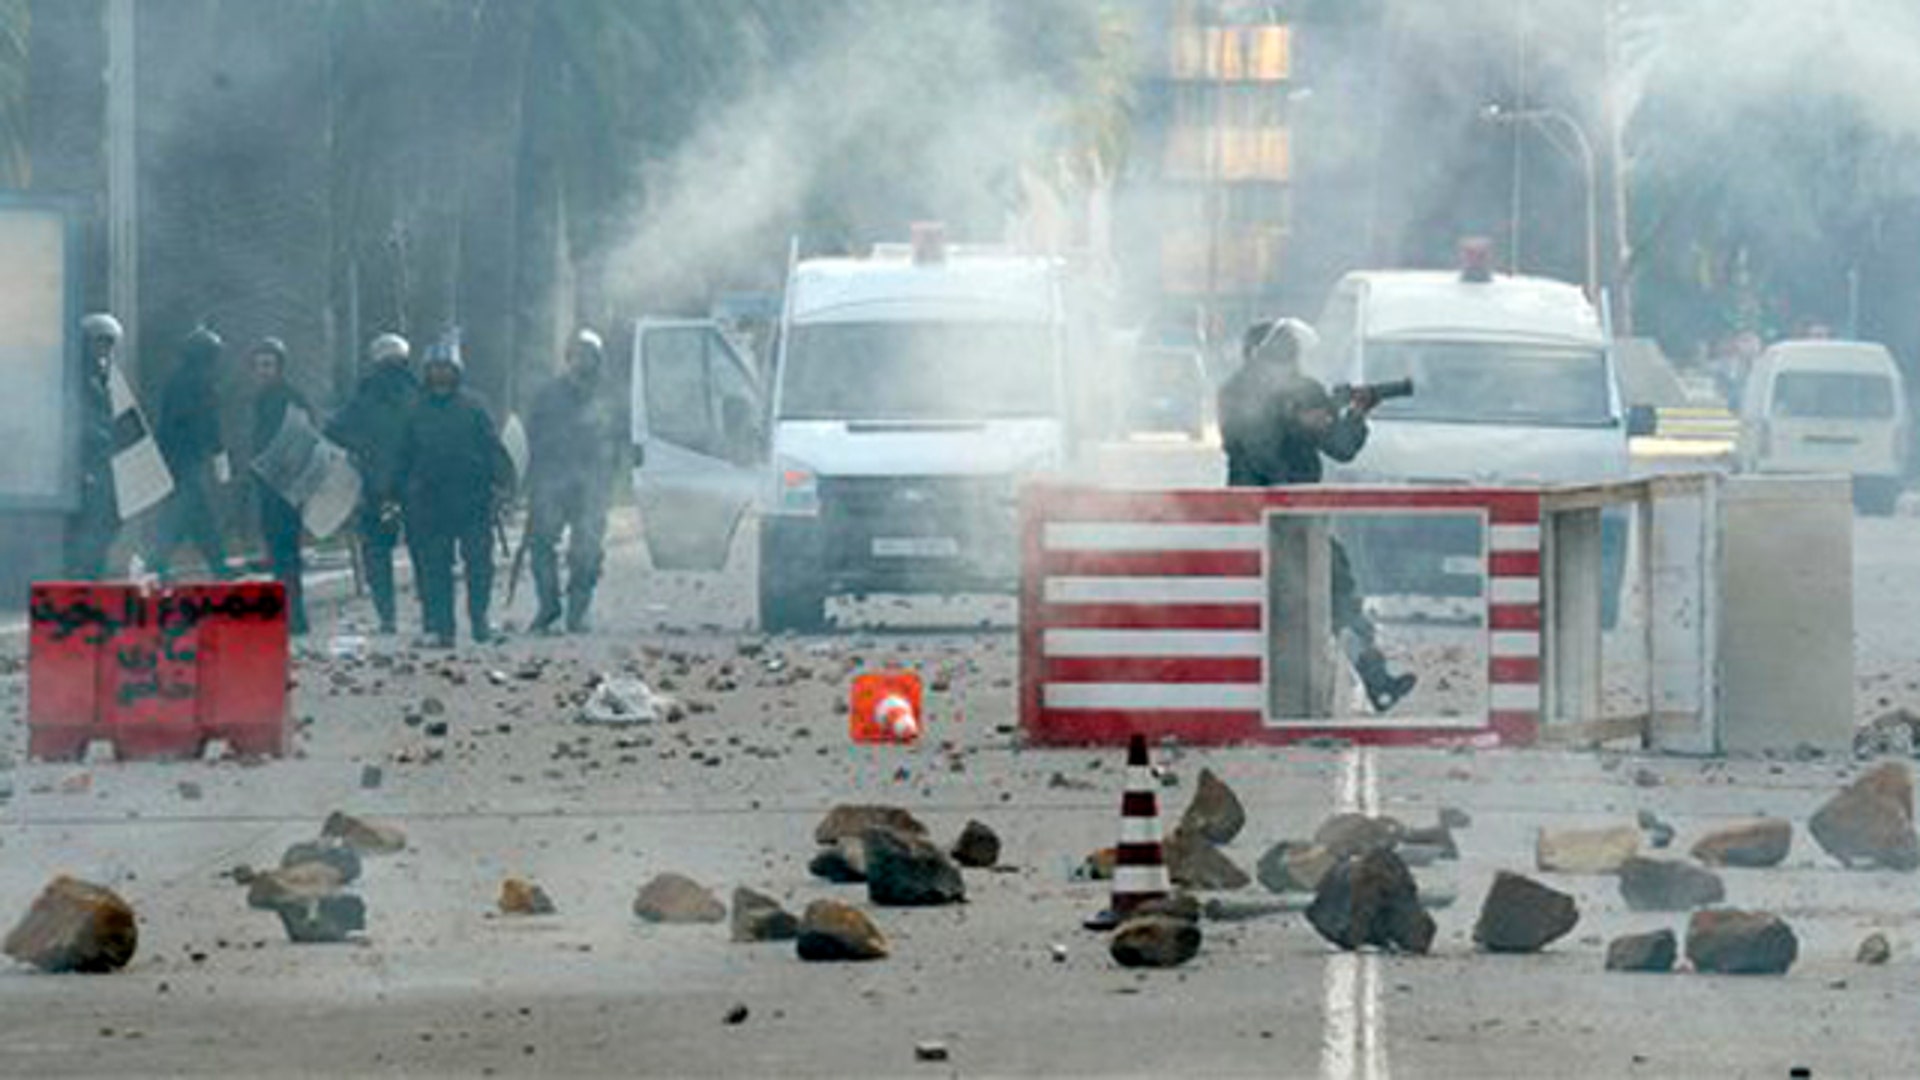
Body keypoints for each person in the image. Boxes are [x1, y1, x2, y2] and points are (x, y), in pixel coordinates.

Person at [1218, 318, 1417, 713]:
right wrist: (1357, 413)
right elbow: (1341, 446)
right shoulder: (1300, 391)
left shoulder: (1233, 390)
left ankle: (1242, 700)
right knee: (1339, 593)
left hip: (1239, 518)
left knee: (1251, 604)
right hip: (1295, 521)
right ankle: (1376, 680)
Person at [394, 339, 511, 648]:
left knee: (479, 565)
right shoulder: (415, 410)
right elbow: (403, 455)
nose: (440, 374)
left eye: (445, 368)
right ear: (427, 372)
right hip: (431, 503)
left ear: (456, 370)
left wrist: (503, 483)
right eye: (434, 369)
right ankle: (443, 629)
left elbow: (492, 448)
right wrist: (399, 491)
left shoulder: (474, 407)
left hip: (473, 499)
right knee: (436, 568)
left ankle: (480, 622)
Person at [525, 328, 617, 634]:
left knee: (587, 551)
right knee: (540, 546)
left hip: (592, 486)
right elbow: (532, 438)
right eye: (577, 355)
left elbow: (617, 442)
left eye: (588, 356)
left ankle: (578, 611)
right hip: (552, 482)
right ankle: (548, 604)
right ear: (568, 358)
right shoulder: (548, 395)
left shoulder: (608, 398)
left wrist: (606, 479)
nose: (582, 361)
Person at [326, 333, 418, 634]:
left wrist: (361, 448)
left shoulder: (365, 397)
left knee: (377, 552)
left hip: (377, 486)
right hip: (416, 485)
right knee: (426, 550)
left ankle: (387, 615)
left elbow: (334, 429)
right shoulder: (420, 394)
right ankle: (433, 614)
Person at [151, 326, 231, 578]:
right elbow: (207, 424)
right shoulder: (200, 383)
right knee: (183, 514)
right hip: (187, 459)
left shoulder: (176, 381)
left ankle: (215, 564)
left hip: (174, 458)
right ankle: (157, 562)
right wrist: (219, 454)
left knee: (195, 516)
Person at [246, 337, 312, 635]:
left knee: (285, 552)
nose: (263, 371)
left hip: (285, 486)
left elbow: (301, 438)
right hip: (272, 483)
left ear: (279, 367)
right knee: (281, 552)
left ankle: (293, 617)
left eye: (268, 365)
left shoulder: (287, 398)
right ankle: (291, 616)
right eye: (259, 366)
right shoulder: (264, 398)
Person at [65, 313, 126, 578]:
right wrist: (98, 434)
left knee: (110, 515)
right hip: (84, 458)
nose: (104, 349)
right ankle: (83, 570)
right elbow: (75, 413)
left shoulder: (101, 374)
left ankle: (89, 568)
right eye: (99, 342)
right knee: (94, 516)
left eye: (109, 343)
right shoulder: (76, 374)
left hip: (101, 458)